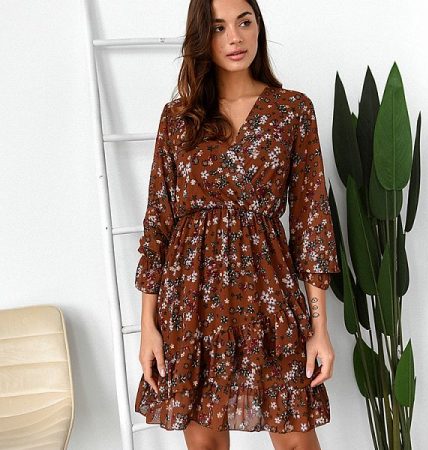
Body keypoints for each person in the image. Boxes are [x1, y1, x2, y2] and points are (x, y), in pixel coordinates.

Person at [134, 0, 341, 449]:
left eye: (244, 22)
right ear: (201, 38)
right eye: (218, 27)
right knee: (205, 442)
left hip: (268, 297)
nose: (234, 38)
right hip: (190, 301)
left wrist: (319, 329)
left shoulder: (291, 111)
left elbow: (311, 223)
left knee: (296, 441)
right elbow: (157, 227)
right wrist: (149, 326)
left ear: (258, 28)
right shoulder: (178, 118)